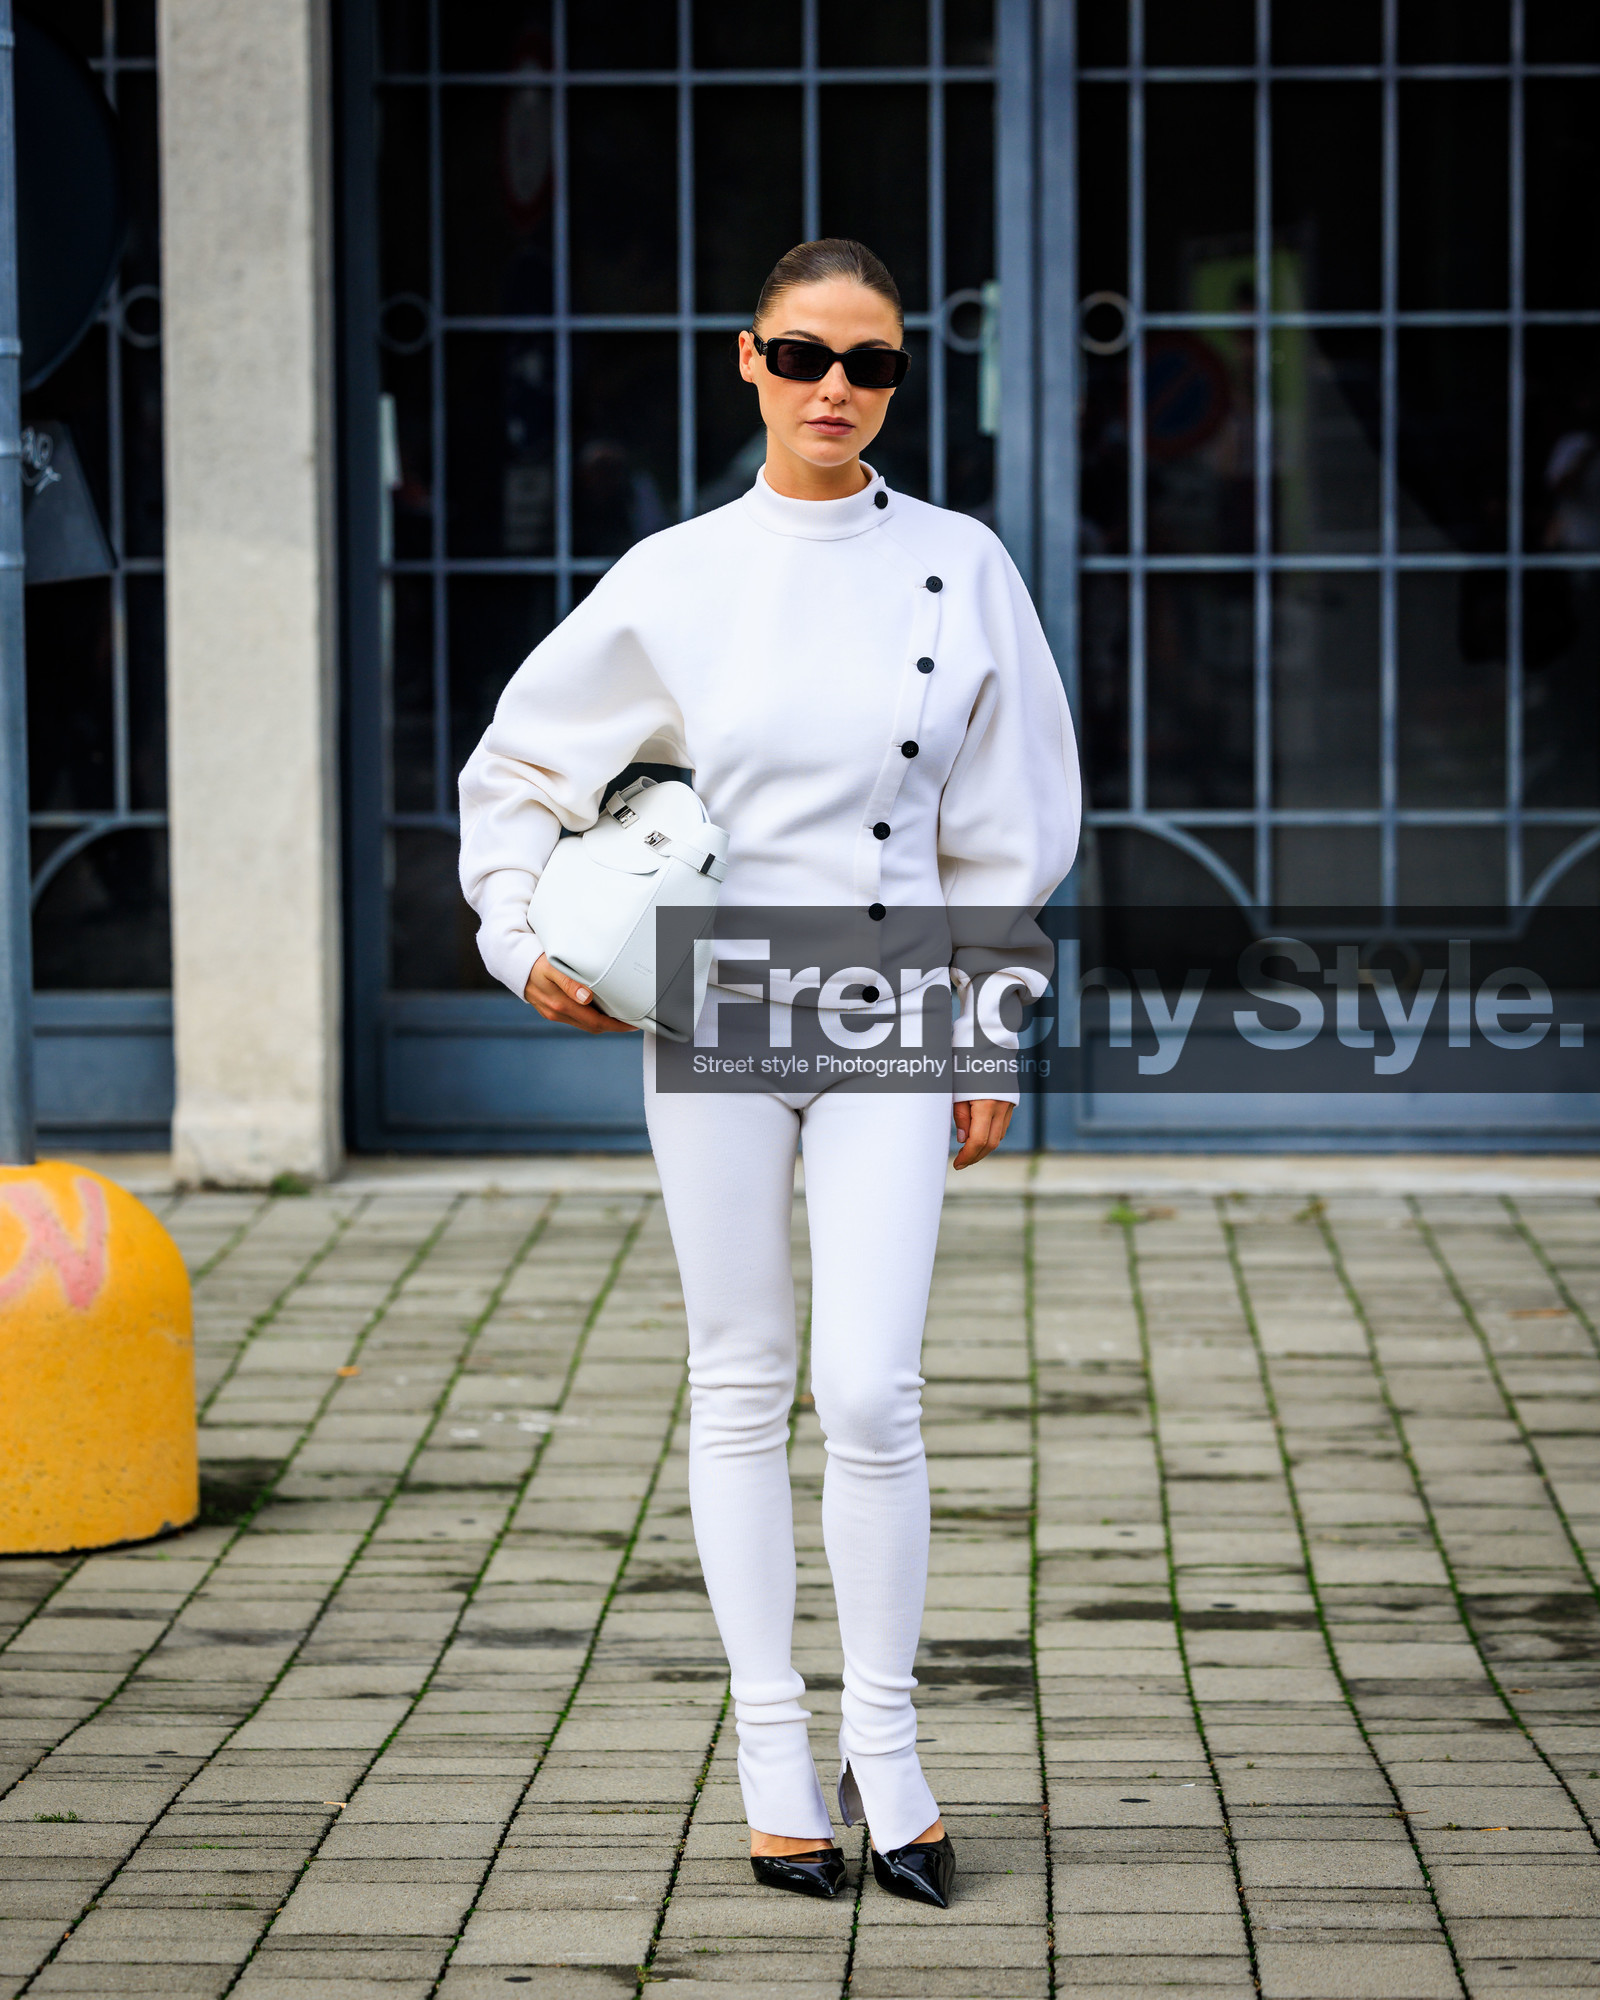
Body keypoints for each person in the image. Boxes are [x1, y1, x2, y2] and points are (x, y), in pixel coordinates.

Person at [459, 239, 1080, 1910]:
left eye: (870, 364)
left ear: (897, 380)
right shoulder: (677, 573)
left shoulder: (962, 563)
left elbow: (1005, 821)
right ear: (748, 361)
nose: (836, 391)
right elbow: (519, 762)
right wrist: (515, 939)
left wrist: (992, 1021)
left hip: (894, 1006)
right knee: (741, 1379)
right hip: (718, 1007)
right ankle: (771, 1751)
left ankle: (892, 1746)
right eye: (804, 355)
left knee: (871, 1391)